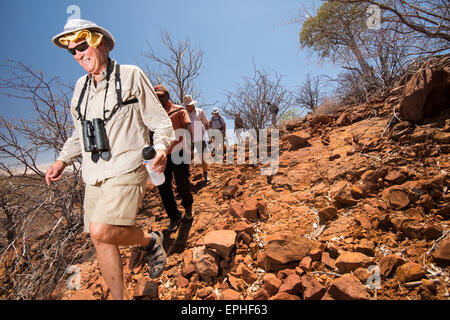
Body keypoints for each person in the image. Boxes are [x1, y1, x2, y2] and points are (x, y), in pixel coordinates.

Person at [45, 19, 175, 300]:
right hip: (94, 173)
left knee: (101, 228)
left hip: (128, 165)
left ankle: (150, 240)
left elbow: (160, 122)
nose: (79, 54)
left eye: (82, 46)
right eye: (73, 52)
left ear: (100, 43)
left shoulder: (130, 75)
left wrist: (162, 148)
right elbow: (79, 134)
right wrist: (62, 160)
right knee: (99, 237)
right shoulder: (80, 88)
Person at [154, 84, 194, 231]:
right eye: (156, 97)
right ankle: (174, 216)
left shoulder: (179, 110)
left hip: (179, 151)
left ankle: (188, 207)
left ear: (167, 96)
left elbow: (188, 126)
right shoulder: (155, 116)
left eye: (160, 96)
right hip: (162, 154)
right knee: (163, 187)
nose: (158, 99)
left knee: (182, 182)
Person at [182, 95, 209, 183]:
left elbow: (206, 124)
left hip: (200, 137)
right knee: (187, 158)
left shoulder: (200, 112)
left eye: (189, 105)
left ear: (192, 104)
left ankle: (205, 174)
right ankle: (186, 177)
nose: (188, 107)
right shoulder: (183, 113)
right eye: (186, 105)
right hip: (188, 139)